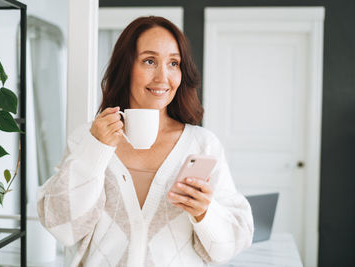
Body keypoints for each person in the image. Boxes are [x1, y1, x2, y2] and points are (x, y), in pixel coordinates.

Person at [37, 16, 253, 267]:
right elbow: (63, 227)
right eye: (149, 61)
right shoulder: (88, 139)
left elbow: (229, 245)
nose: (163, 77)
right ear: (125, 67)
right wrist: (95, 149)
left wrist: (204, 213)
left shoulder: (203, 145)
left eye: (174, 63)